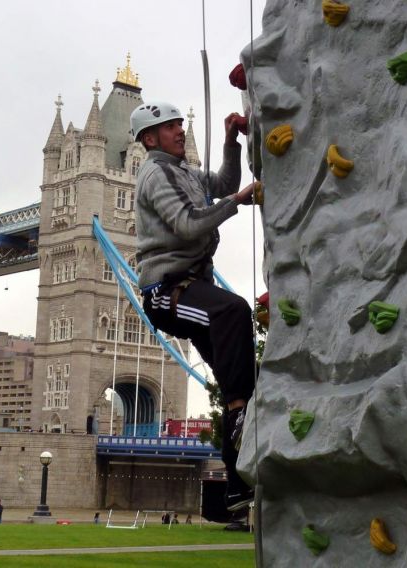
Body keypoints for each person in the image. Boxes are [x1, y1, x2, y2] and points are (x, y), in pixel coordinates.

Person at [130, 102, 257, 513]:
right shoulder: (154, 174)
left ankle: (237, 487)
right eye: (170, 128)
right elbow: (188, 223)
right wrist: (235, 202)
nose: (180, 132)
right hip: (168, 292)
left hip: (193, 289)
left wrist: (230, 142)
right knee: (233, 312)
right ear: (150, 139)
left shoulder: (183, 171)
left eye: (180, 125)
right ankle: (239, 418)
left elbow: (222, 181)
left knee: (238, 372)